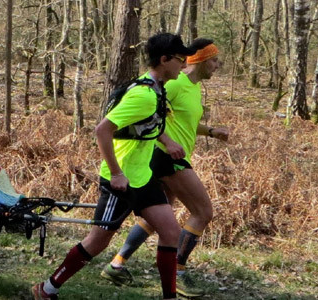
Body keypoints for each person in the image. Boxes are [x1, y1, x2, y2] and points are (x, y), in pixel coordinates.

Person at [31, 33, 195, 300]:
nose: (184, 65)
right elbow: (102, 129)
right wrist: (117, 174)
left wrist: (167, 140)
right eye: (180, 59)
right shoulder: (143, 94)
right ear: (164, 60)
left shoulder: (156, 88)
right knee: (97, 242)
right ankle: (47, 289)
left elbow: (147, 125)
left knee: (171, 233)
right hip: (121, 181)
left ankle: (170, 297)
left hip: (143, 177)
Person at [100, 38, 229, 298]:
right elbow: (150, 111)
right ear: (201, 60)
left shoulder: (192, 87)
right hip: (165, 158)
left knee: (160, 214)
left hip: (171, 156)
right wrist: (166, 142)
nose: (217, 65)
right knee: (203, 212)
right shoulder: (177, 83)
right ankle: (178, 273)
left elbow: (186, 122)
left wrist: (212, 131)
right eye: (214, 60)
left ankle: (117, 263)